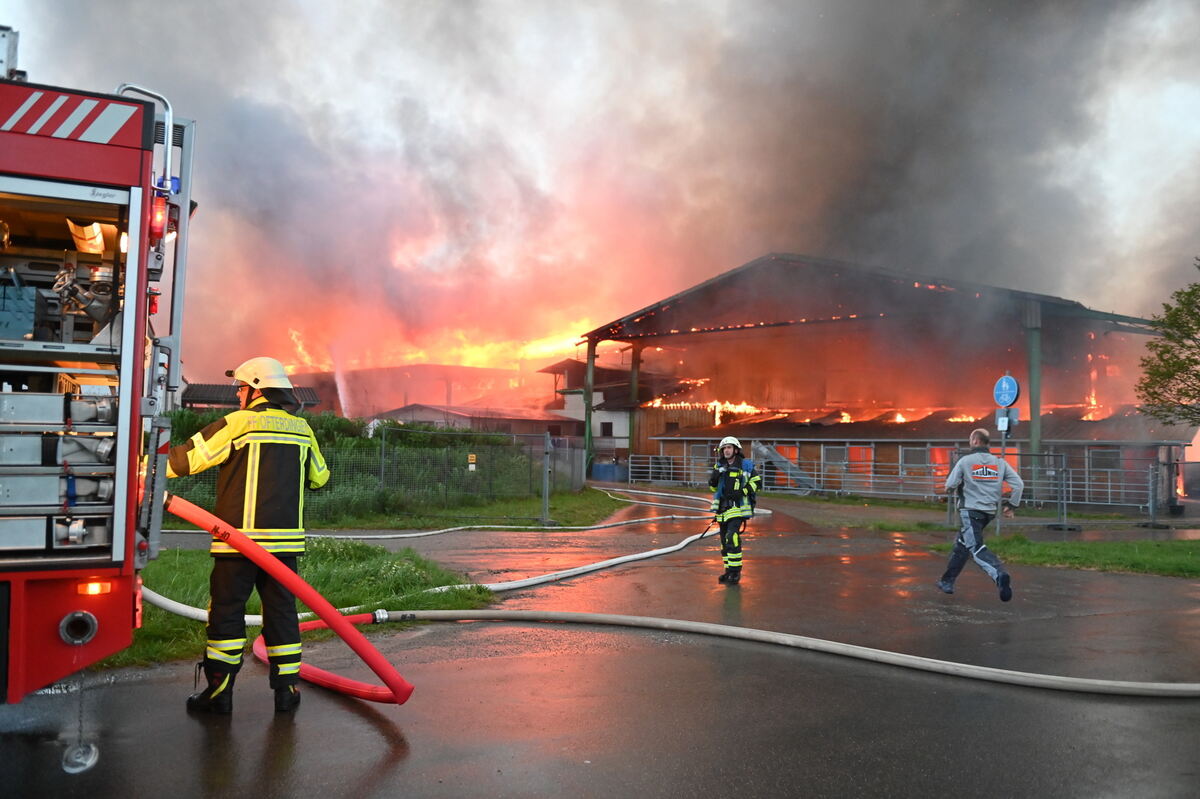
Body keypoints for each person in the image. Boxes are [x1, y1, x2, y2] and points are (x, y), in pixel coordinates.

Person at [167, 356, 330, 714]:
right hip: (284, 547)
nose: (238, 395)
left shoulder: (238, 424)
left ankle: (219, 693)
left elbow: (184, 461)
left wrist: (137, 465)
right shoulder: (303, 429)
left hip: (236, 544)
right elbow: (320, 478)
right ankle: (287, 692)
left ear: (255, 388)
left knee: (226, 613)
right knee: (282, 614)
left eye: (240, 388)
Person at [938, 428, 1023, 602]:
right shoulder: (1000, 463)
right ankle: (947, 581)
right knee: (962, 544)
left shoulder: (965, 461)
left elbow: (950, 485)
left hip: (970, 511)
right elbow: (1019, 484)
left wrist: (947, 491)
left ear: (975, 441)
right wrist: (1011, 505)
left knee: (975, 548)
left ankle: (999, 575)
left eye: (971, 439)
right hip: (988, 513)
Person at [707, 435, 760, 585]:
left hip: (737, 508)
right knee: (724, 542)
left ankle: (736, 573)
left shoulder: (745, 465)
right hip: (723, 510)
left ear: (736, 450)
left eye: (729, 447)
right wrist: (714, 479)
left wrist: (742, 492)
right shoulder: (719, 466)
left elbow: (756, 482)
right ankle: (728, 570)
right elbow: (713, 488)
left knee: (732, 537)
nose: (726, 450)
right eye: (724, 448)